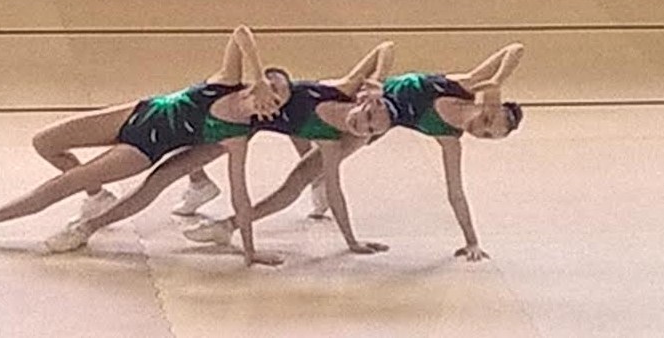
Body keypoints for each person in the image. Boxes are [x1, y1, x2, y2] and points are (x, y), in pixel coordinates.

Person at [0, 25, 288, 266]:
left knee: (63, 185)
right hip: (136, 112)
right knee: (45, 142)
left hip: (143, 148)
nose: (269, 101)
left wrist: (250, 250)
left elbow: (241, 194)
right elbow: (241, 32)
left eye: (277, 102)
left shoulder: (235, 135)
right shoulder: (226, 80)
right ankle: (97, 196)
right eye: (270, 90)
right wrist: (257, 75)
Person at [42, 41, 397, 264]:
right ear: (364, 101)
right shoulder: (340, 90)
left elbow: (327, 174)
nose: (361, 125)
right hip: (238, 119)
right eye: (365, 117)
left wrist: (352, 242)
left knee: (295, 183)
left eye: (367, 130)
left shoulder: (335, 140)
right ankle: (196, 187)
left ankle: (223, 223)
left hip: (244, 130)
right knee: (169, 166)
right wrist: (379, 79)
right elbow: (385, 46)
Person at [183, 43, 525, 262]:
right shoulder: (464, 85)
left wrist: (472, 241)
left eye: (485, 136)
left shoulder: (450, 138)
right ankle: (202, 182)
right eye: (486, 123)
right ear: (489, 107)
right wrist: (379, 81)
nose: (478, 131)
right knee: (236, 133)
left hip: (368, 127)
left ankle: (230, 225)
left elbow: (455, 192)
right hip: (354, 103)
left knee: (301, 177)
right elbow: (515, 48)